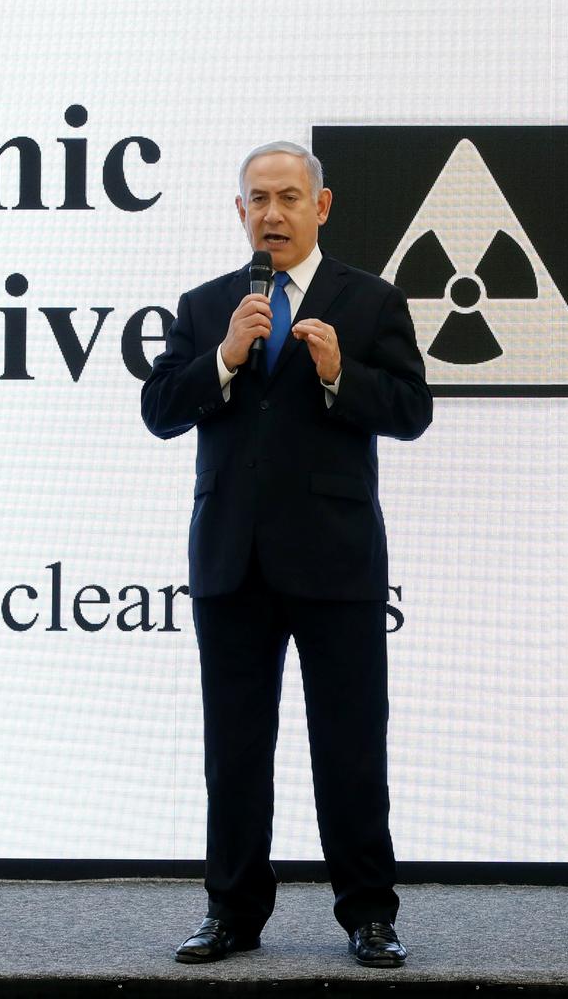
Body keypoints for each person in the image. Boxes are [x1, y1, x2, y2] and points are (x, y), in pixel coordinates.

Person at [140, 141, 432, 968]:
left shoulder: (370, 301)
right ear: (240, 212)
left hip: (336, 560)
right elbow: (159, 409)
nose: (272, 213)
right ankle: (231, 912)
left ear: (320, 206)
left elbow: (411, 411)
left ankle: (368, 914)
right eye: (258, 200)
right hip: (230, 560)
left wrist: (341, 374)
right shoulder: (206, 306)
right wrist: (224, 357)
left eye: (288, 198)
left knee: (350, 746)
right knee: (233, 750)